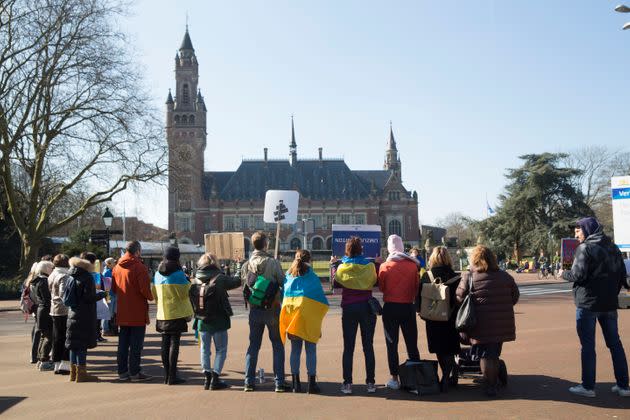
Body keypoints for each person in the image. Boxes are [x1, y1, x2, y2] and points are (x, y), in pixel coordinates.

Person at [559, 217, 630, 397]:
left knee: (588, 346)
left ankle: (588, 387)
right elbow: (624, 276)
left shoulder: (584, 248)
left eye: (578, 230)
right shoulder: (613, 248)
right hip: (609, 303)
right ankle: (623, 386)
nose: (575, 235)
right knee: (615, 344)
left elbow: (578, 275)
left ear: (588, 230)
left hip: (588, 303)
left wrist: (563, 273)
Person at [456, 245, 519, 397]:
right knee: (494, 354)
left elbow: (459, 298)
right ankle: (493, 382)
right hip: (502, 323)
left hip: (480, 323)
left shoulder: (470, 276)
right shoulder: (505, 276)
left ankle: (490, 385)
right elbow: (515, 297)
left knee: (485, 355)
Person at [241, 231, 288, 392]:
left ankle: (248, 381)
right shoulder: (272, 262)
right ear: (266, 244)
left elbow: (245, 286)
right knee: (277, 345)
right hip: (272, 309)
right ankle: (279, 382)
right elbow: (283, 282)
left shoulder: (246, 265)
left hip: (254, 310)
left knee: (253, 345)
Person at [331, 237, 379, 395]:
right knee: (368, 346)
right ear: (361, 249)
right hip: (366, 307)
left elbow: (335, 283)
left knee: (348, 347)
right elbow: (374, 282)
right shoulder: (370, 266)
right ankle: (371, 383)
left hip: (349, 308)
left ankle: (347, 383)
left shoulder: (342, 267)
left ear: (347, 250)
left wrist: (333, 265)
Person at [190, 253, 242, 390]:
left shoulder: (195, 279)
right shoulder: (220, 278)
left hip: (202, 319)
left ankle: (206, 377)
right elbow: (237, 281)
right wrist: (238, 265)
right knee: (221, 349)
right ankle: (215, 377)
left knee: (204, 349)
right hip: (219, 319)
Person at [280, 249, 329, 394]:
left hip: (293, 320)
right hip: (309, 320)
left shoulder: (288, 277)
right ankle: (311, 385)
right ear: (310, 260)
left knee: (295, 351)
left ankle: (296, 384)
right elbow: (321, 301)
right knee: (311, 351)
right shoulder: (313, 278)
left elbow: (284, 300)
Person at [377, 235, 421, 391]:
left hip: (391, 307)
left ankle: (394, 378)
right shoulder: (413, 266)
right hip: (408, 306)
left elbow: (381, 287)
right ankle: (416, 377)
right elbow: (416, 287)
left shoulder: (385, 266)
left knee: (392, 344)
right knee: (411, 344)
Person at [419, 246, 461, 392]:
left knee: (439, 349)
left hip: (433, 318)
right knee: (450, 347)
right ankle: (451, 371)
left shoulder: (426, 276)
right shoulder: (456, 276)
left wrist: (421, 312)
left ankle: (445, 374)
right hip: (451, 317)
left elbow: (418, 298)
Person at [112, 240, 154, 382]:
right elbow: (144, 290)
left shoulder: (117, 267)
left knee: (123, 343)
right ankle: (135, 372)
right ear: (138, 251)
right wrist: (151, 296)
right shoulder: (139, 267)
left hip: (123, 310)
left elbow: (113, 289)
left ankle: (122, 371)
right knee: (136, 344)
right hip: (137, 311)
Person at [153, 246, 194, 385]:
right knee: (174, 344)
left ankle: (166, 375)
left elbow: (154, 294)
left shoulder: (157, 274)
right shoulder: (178, 274)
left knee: (164, 344)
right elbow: (185, 293)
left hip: (162, 313)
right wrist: (189, 281)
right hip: (176, 313)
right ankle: (172, 376)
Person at [66, 255, 106, 382]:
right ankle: (82, 374)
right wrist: (101, 295)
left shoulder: (70, 275)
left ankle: (73, 373)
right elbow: (89, 298)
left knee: (73, 345)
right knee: (82, 344)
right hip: (84, 314)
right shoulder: (87, 277)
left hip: (72, 313)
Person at [48, 254, 71, 374]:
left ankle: (56, 363)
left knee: (57, 337)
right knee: (66, 337)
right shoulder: (64, 276)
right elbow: (64, 294)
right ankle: (65, 364)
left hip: (54, 309)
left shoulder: (52, 274)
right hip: (64, 310)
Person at [31, 261, 55, 371]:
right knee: (49, 337)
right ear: (46, 269)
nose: (52, 269)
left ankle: (41, 360)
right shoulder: (44, 281)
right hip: (46, 311)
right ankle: (44, 361)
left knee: (44, 336)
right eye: (51, 267)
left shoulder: (37, 280)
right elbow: (47, 299)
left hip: (41, 310)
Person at [23, 262, 40, 364]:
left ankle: (33, 353)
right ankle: (34, 355)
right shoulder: (37, 280)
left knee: (36, 329)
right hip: (38, 306)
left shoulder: (28, 279)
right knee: (39, 331)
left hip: (32, 306)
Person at [102, 258, 118, 336]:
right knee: (107, 313)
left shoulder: (112, 271)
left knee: (111, 313)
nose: (115, 264)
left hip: (113, 294)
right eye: (113, 263)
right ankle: (105, 330)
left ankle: (109, 329)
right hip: (109, 295)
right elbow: (106, 288)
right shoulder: (106, 273)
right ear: (109, 264)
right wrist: (107, 298)